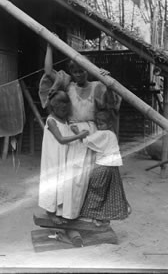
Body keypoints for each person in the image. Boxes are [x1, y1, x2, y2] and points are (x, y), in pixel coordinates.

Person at [39, 42, 121, 219]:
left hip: (90, 133)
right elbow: (48, 72)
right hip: (73, 132)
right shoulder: (68, 85)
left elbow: (112, 103)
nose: (79, 74)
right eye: (75, 72)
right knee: (71, 176)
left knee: (87, 177)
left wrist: (108, 80)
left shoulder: (97, 86)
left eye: (82, 71)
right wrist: (50, 47)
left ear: (88, 71)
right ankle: (66, 212)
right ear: (72, 73)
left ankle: (83, 213)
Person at [71, 110, 131, 226]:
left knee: (95, 190)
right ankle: (103, 217)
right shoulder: (112, 134)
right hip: (112, 169)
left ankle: (92, 215)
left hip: (103, 167)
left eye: (101, 124)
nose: (99, 126)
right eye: (98, 123)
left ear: (109, 124)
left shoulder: (104, 133)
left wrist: (77, 132)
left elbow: (87, 140)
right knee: (108, 193)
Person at [38, 90, 89, 225]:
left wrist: (74, 130)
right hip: (53, 157)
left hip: (62, 156)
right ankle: (50, 212)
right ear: (53, 107)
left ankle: (58, 212)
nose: (64, 110)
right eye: (60, 108)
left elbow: (67, 131)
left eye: (66, 108)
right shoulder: (51, 120)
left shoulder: (64, 119)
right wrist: (79, 136)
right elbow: (61, 139)